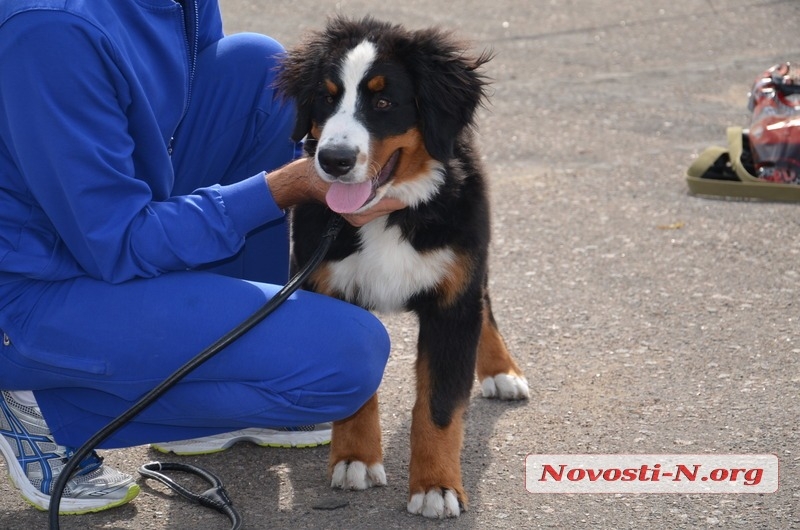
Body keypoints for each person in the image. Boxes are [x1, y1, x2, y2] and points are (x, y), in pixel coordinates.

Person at [0, 0, 402, 515]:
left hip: (91, 227)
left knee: (260, 73)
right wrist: (282, 188)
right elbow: (117, 242)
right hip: (28, 292)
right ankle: (44, 404)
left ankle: (216, 369)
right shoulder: (49, 28)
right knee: (347, 360)